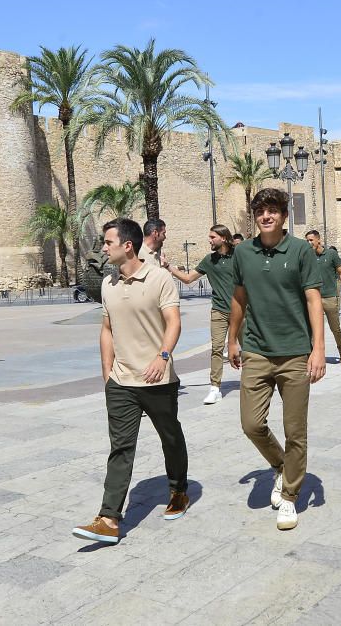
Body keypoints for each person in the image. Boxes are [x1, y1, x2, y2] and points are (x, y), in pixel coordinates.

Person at [72, 218, 189, 545]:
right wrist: (107, 373)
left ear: (127, 245)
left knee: (170, 437)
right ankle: (109, 518)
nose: (103, 248)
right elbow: (107, 329)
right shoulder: (108, 285)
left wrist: (162, 357)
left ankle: (179, 489)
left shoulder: (159, 278)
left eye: (108, 242)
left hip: (158, 379)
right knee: (120, 447)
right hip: (121, 382)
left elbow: (173, 323)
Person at [228, 188, 325, 531]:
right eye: (260, 211)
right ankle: (281, 464)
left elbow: (314, 300)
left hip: (296, 353)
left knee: (295, 430)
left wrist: (318, 348)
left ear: (284, 216)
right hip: (256, 350)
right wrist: (231, 340)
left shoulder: (300, 251)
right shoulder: (243, 252)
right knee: (251, 424)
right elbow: (239, 298)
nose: (266, 216)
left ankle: (290, 496)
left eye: (273, 211)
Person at [167, 224, 236, 404]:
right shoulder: (209, 260)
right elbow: (188, 279)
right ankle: (215, 388)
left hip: (241, 311)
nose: (209, 240)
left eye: (213, 237)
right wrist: (169, 267)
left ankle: (256, 382)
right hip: (219, 310)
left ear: (223, 238)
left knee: (250, 349)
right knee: (217, 349)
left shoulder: (239, 257)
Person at [305, 229, 341, 363]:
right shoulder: (307, 257)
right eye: (306, 240)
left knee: (335, 328)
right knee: (312, 328)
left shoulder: (331, 254)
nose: (308, 243)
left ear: (318, 240)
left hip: (330, 297)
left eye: (311, 240)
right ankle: (312, 355)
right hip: (314, 299)